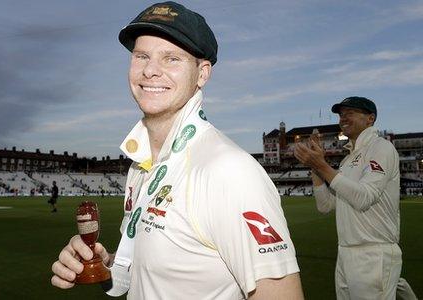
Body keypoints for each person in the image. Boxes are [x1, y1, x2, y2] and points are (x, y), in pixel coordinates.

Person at [51, 2, 303, 299]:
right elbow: (144, 271)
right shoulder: (140, 164)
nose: (150, 71)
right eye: (141, 56)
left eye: (171, 58)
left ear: (202, 74)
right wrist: (102, 263)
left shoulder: (229, 171)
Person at [294, 96, 416, 299]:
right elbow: (325, 205)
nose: (343, 118)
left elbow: (364, 198)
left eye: (350, 113)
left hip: (373, 252)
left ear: (370, 118)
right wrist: (316, 167)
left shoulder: (381, 148)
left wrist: (323, 165)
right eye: (341, 115)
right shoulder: (348, 160)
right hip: (345, 251)